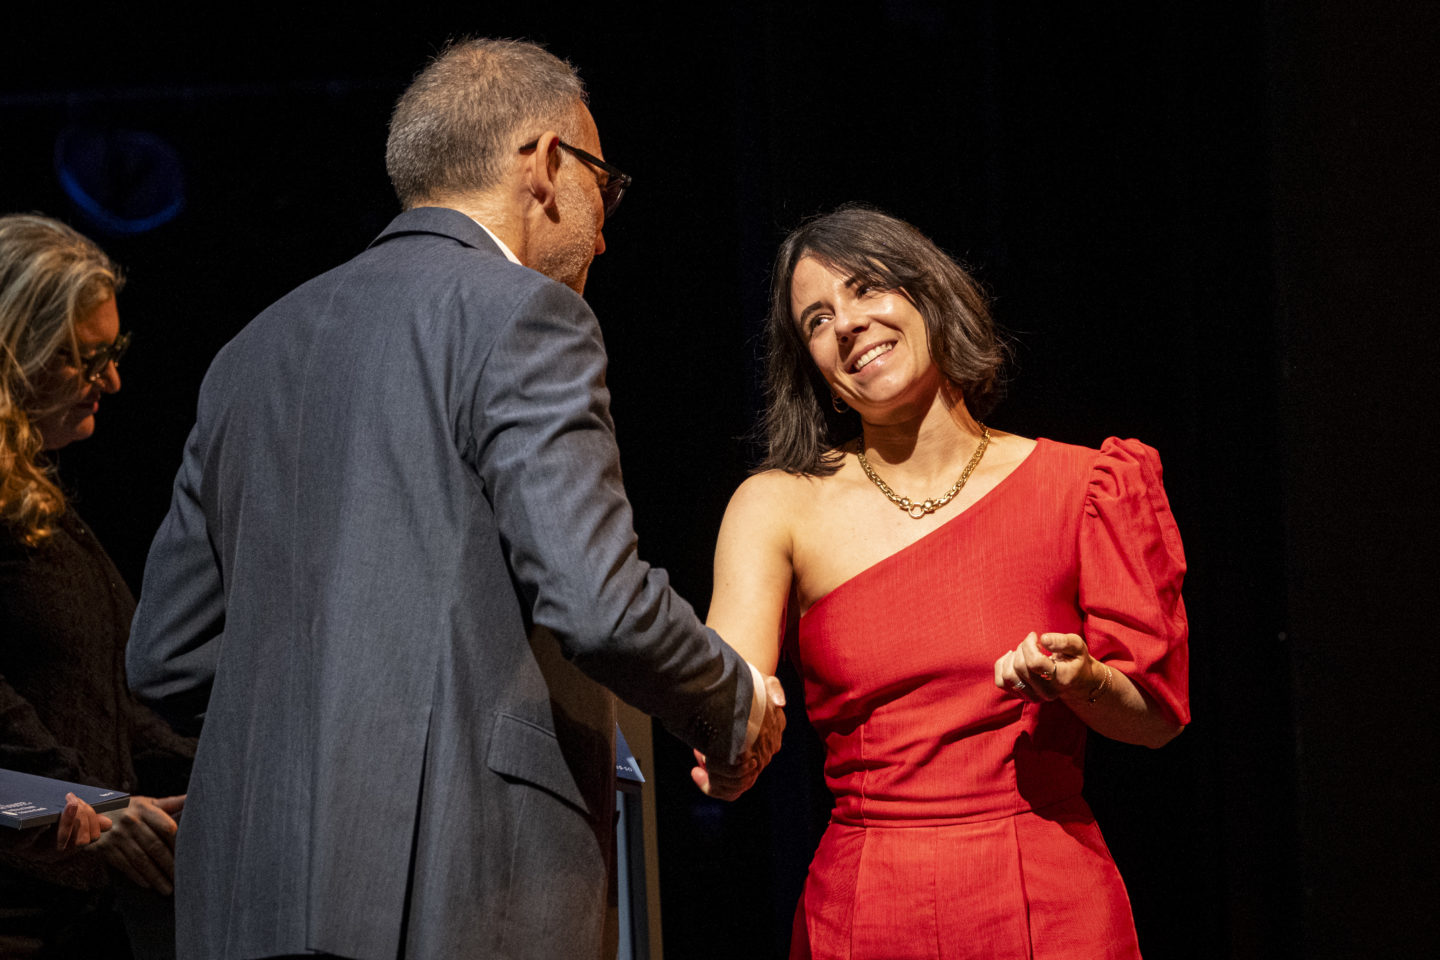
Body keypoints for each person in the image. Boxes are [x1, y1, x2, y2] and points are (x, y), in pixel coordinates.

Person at [125, 38, 785, 960]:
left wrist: (314, 735)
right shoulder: (527, 314)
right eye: (604, 187)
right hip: (465, 878)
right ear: (546, 164)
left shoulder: (249, 353)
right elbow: (597, 603)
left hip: (244, 886)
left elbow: (164, 659)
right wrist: (732, 698)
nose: (605, 233)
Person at [706, 206, 1189, 959]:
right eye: (817, 320)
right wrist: (733, 743)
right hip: (868, 906)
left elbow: (1156, 719)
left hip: (1047, 895)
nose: (847, 324)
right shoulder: (778, 506)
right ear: (816, 370)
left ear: (931, 295)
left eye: (867, 287)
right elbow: (727, 691)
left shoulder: (1085, 485)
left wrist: (1082, 679)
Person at [0, 213, 196, 957]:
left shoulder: (42, 508)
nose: (110, 381)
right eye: (86, 359)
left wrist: (225, 773)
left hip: (71, 913)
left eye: (114, 353)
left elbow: (109, 703)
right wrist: (88, 804)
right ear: (14, 348)